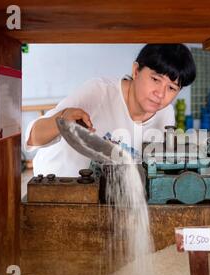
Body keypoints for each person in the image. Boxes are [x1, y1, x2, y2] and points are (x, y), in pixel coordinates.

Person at [24, 44, 196, 176]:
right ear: (136, 71)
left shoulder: (165, 115)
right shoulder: (99, 91)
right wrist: (62, 118)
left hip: (102, 200)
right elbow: (33, 137)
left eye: (172, 88)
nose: (160, 94)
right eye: (155, 79)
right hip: (57, 188)